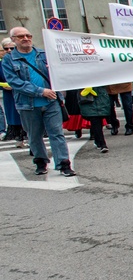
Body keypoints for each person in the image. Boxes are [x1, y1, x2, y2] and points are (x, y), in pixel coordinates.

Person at [2, 27, 76, 176]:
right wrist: (41, 91)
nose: (26, 38)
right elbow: (14, 82)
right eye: (21, 36)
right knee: (34, 136)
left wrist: (55, 70)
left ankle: (63, 164)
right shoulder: (9, 60)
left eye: (28, 35)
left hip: (51, 102)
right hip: (27, 105)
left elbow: (60, 72)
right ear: (14, 40)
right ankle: (41, 161)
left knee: (57, 133)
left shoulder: (43, 54)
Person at [1, 37, 26, 147]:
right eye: (6, 49)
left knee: (26, 115)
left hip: (23, 91)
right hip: (9, 94)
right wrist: (3, 85)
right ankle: (19, 138)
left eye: (12, 48)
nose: (9, 51)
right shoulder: (2, 63)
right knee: (14, 117)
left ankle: (29, 137)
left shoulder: (21, 59)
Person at [78, 85, 112, 153]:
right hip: (87, 95)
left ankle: (98, 140)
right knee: (95, 119)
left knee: (98, 119)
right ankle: (102, 143)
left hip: (100, 95)